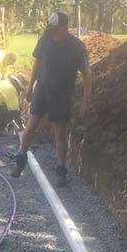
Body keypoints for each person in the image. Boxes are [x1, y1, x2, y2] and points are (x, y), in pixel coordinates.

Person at [12, 11, 91, 188]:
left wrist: (87, 100)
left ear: (65, 28)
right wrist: (30, 86)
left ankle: (61, 171)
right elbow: (37, 62)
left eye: (56, 30)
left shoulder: (76, 47)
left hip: (61, 94)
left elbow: (86, 74)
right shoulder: (45, 39)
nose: (53, 33)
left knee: (59, 132)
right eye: (51, 30)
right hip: (42, 89)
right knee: (31, 125)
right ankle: (20, 160)